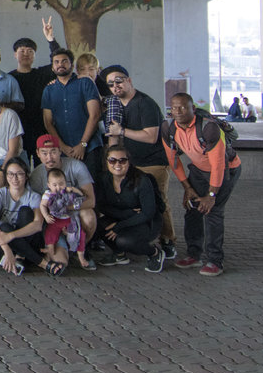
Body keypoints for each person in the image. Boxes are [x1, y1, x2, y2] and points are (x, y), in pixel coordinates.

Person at [161, 93, 241, 276]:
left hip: (226, 169)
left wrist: (211, 195)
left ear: (193, 109)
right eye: (174, 108)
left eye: (183, 107)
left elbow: (219, 165)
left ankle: (215, 261)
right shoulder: (168, 127)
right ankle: (194, 255)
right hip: (198, 169)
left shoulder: (209, 128)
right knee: (192, 208)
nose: (178, 111)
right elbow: (173, 160)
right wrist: (187, 188)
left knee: (211, 211)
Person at [101, 65, 176, 258]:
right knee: (130, 204)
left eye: (119, 80)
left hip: (153, 162)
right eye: (110, 84)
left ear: (129, 80)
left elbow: (151, 136)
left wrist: (122, 132)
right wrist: (110, 160)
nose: (115, 86)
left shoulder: (145, 103)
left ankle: (167, 241)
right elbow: (113, 135)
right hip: (129, 164)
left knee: (159, 201)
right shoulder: (114, 104)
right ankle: (135, 238)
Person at [95, 145, 166, 273]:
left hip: (147, 222)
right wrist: (126, 214)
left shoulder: (142, 180)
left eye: (122, 160)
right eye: (112, 160)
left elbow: (148, 213)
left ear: (129, 162)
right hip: (124, 216)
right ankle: (119, 254)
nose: (117, 164)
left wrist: (120, 225)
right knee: (99, 225)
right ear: (106, 162)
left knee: (125, 241)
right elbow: (102, 206)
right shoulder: (103, 179)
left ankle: (155, 253)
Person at [28, 134, 97, 256]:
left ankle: (80, 249)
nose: (49, 157)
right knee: (59, 260)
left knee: (89, 216)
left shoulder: (76, 166)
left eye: (53, 152)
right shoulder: (36, 175)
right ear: (38, 153)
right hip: (52, 219)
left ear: (60, 151)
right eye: (44, 153)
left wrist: (67, 208)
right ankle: (60, 249)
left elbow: (91, 201)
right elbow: (36, 206)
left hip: (74, 214)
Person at [41, 48, 103, 179]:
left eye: (64, 61)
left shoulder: (85, 83)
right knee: (67, 189)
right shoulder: (49, 90)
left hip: (89, 147)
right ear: (52, 67)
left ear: (72, 65)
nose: (60, 64)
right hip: (64, 150)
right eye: (56, 62)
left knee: (95, 189)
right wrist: (62, 147)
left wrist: (83, 144)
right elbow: (48, 122)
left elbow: (95, 115)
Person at [0, 157, 55, 276]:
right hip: (5, 246)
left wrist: (11, 236)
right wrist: (7, 250)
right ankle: (43, 263)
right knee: (4, 227)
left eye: (19, 174)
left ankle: (22, 255)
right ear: (5, 176)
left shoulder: (34, 196)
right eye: (10, 174)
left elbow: (37, 225)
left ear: (26, 176)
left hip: (29, 243)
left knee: (25, 211)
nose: (14, 178)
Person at [9, 19, 59, 158]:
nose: (26, 54)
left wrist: (50, 39)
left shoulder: (41, 75)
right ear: (15, 54)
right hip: (17, 130)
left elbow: (57, 60)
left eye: (30, 51)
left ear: (34, 55)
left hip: (41, 128)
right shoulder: (9, 78)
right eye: (22, 50)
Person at [39, 168, 91, 273]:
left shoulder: (68, 192)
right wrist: (46, 216)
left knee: (80, 233)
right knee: (50, 233)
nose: (58, 187)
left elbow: (81, 196)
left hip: (68, 219)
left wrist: (73, 189)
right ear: (49, 185)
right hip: (55, 219)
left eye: (61, 184)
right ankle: (50, 250)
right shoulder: (48, 194)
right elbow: (42, 205)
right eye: (54, 185)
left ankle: (80, 255)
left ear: (65, 183)